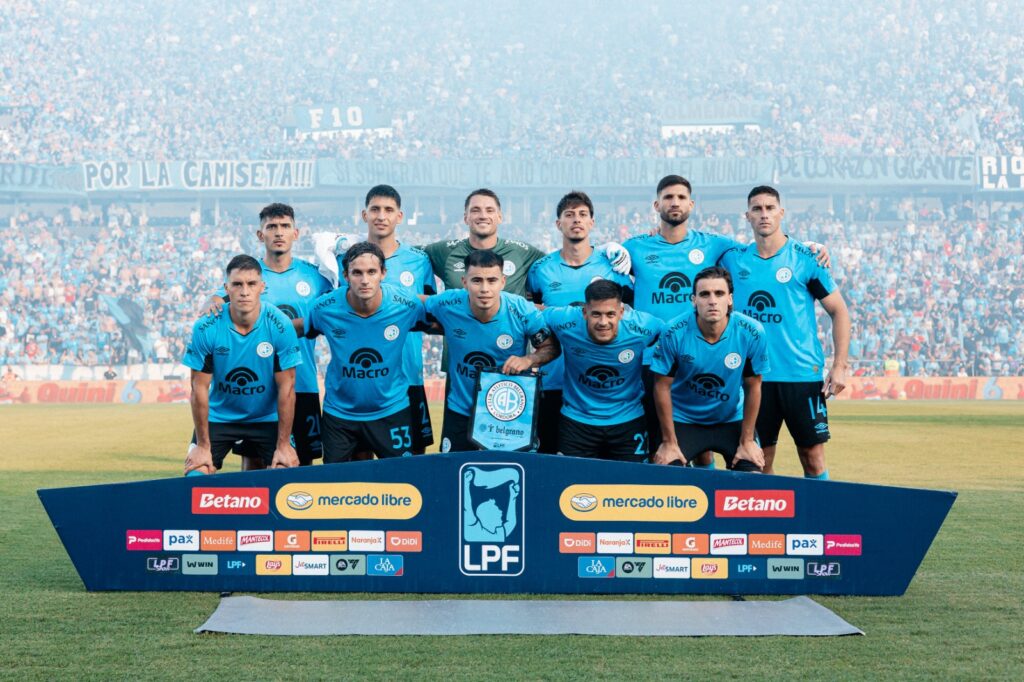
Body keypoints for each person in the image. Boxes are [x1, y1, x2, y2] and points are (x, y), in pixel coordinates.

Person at [719, 186, 851, 479]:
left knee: (813, 457)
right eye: (757, 209)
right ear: (747, 216)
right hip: (753, 378)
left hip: (801, 375)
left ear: (781, 213)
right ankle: (767, 524)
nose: (764, 214)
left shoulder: (807, 258)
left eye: (769, 208)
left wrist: (839, 366)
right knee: (757, 461)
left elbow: (839, 312)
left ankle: (818, 518)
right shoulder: (732, 260)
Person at [200, 203, 333, 465]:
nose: (279, 232)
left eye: (285, 226)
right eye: (272, 227)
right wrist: (211, 302)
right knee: (253, 466)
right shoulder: (250, 276)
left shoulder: (316, 278)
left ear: (296, 233)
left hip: (301, 384)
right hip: (256, 390)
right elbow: (215, 300)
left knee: (301, 464)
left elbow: (335, 314)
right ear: (260, 235)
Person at [526, 190, 634, 453]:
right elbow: (531, 317)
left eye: (583, 215)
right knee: (552, 461)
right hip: (554, 380)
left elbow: (631, 312)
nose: (576, 220)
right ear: (558, 223)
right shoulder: (541, 270)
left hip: (600, 383)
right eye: (569, 215)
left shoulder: (612, 266)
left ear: (592, 223)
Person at [303, 242, 429, 462]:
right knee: (333, 487)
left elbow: (443, 321)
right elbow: (301, 329)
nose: (364, 280)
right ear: (345, 275)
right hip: (339, 414)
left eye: (371, 272)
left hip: (392, 410)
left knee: (401, 482)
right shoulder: (323, 308)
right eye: (357, 273)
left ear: (383, 273)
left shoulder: (405, 304)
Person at [423, 249, 559, 452]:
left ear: (502, 282)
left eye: (492, 280)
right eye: (477, 280)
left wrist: (529, 359)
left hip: (507, 413)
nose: (484, 288)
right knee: (452, 476)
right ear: (464, 281)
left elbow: (551, 347)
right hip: (460, 411)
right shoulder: (447, 303)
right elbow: (414, 305)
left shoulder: (521, 310)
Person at [182, 255, 301, 474]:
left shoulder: (280, 325)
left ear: (262, 287)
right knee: (196, 473)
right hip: (220, 416)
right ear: (227, 288)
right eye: (237, 284)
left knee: (285, 470)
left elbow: (287, 388)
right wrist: (203, 446)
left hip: (267, 417)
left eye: (251, 284)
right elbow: (198, 388)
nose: (244, 291)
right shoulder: (206, 327)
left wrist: (283, 445)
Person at [342, 185, 436, 454]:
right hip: (358, 381)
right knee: (358, 472)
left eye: (388, 210)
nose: (381, 216)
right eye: (375, 209)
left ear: (400, 216)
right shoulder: (344, 259)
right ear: (364, 214)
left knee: (410, 469)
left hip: (407, 379)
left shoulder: (419, 261)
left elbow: (430, 315)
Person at [650, 266, 769, 472]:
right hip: (684, 419)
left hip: (731, 418)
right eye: (704, 294)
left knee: (752, 475)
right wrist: (669, 441)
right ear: (693, 300)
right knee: (667, 473)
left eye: (719, 293)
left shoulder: (752, 332)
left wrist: (747, 440)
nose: (712, 300)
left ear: (730, 299)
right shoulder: (673, 332)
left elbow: (754, 386)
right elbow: (661, 387)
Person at [542, 280, 664, 462]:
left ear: (622, 313)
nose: (603, 322)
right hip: (576, 421)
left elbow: (675, 335)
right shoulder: (565, 320)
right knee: (571, 486)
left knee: (633, 487)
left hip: (628, 420)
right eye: (596, 314)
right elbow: (532, 313)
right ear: (584, 312)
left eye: (610, 314)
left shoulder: (643, 326)